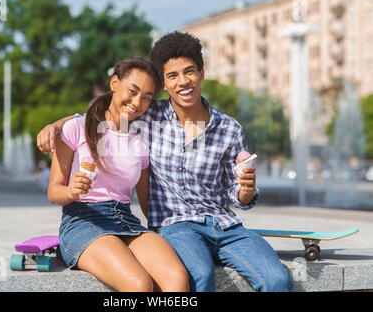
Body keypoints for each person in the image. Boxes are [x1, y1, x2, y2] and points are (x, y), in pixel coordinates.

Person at [38, 32, 292, 292]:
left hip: (211, 223)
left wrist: (246, 192)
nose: (183, 82)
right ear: (165, 83)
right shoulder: (145, 118)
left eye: (190, 72)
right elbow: (99, 118)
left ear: (202, 73)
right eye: (172, 76)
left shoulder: (224, 128)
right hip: (144, 223)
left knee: (271, 280)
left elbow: (235, 194)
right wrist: (57, 126)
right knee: (174, 280)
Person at [47, 57, 189, 292]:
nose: (137, 102)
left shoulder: (141, 141)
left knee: (177, 279)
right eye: (132, 91)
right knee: (139, 284)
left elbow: (146, 201)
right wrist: (72, 190)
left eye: (146, 97)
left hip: (125, 220)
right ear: (114, 83)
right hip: (82, 220)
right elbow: (54, 191)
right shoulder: (75, 128)